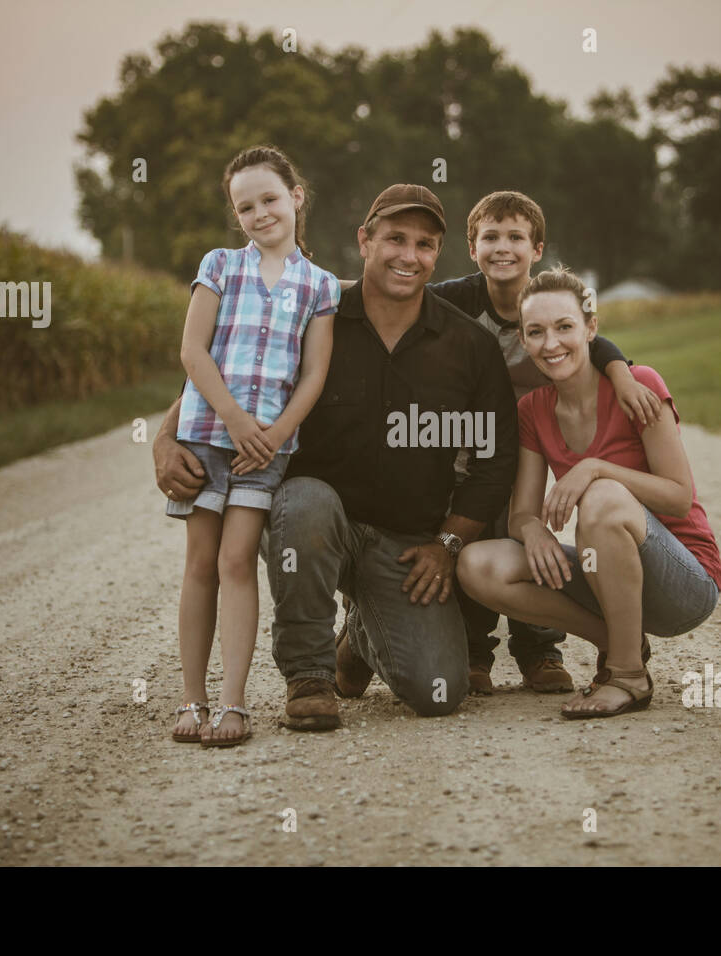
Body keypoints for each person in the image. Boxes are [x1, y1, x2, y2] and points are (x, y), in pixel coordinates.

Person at [155, 183, 518, 730]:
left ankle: (359, 637)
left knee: (438, 690)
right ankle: (309, 674)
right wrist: (166, 434)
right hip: (314, 520)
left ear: (437, 255)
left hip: (404, 541)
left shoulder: (468, 346)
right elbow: (239, 371)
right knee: (304, 500)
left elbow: (495, 464)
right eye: (394, 238)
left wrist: (447, 544)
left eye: (424, 245)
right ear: (364, 241)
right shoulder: (316, 309)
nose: (408, 256)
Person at [456, 266, 721, 718]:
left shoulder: (639, 386)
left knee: (601, 496)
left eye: (564, 327)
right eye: (536, 332)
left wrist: (594, 467)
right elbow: (522, 512)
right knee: (477, 563)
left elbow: (679, 497)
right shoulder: (533, 410)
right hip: (612, 574)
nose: (551, 343)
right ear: (523, 340)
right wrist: (534, 531)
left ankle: (627, 676)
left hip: (684, 581)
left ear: (591, 328)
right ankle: (619, 639)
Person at [428, 190, 664, 695]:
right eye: (490, 237)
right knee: (477, 526)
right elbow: (399, 298)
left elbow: (592, 339)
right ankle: (474, 651)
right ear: (472, 248)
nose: (502, 247)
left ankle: (540, 648)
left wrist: (621, 376)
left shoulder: (546, 302)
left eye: (516, 236)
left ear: (537, 249)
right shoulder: (457, 299)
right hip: (478, 444)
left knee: (527, 525)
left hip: (532, 435)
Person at [164, 145, 339, 747]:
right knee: (201, 564)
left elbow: (313, 374)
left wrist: (277, 432)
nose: (260, 213)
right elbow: (193, 352)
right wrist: (235, 419)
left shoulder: (318, 286)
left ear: (296, 196)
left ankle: (235, 702)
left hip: (268, 448)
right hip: (211, 435)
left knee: (238, 562)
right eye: (245, 206)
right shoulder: (220, 267)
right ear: (235, 216)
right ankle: (193, 697)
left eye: (269, 199)